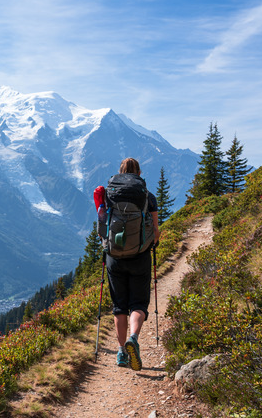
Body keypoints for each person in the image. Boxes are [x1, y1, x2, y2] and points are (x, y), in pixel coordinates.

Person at [106, 157, 160, 370]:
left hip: (114, 258)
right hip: (140, 256)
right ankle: (133, 339)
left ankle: (120, 352)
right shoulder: (148, 197)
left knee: (119, 306)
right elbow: (155, 233)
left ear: (120, 172)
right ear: (139, 173)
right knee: (138, 303)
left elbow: (103, 225)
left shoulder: (110, 195)